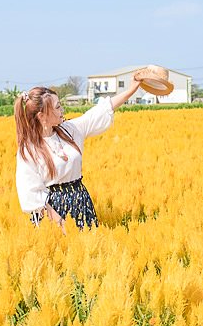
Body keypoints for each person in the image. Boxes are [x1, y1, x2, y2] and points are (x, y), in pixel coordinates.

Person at [14, 77, 142, 232]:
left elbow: (99, 112)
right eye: (58, 107)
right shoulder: (29, 150)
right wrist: (60, 223)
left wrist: (131, 89)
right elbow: (31, 193)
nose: (62, 110)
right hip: (53, 212)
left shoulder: (70, 130)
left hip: (81, 202)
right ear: (42, 116)